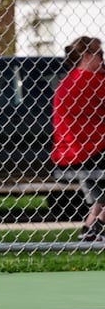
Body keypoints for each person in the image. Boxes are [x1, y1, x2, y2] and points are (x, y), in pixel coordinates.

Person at [51, 36, 105, 242]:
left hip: (68, 153)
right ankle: (96, 227)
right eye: (99, 55)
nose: (102, 60)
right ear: (86, 56)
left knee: (101, 194)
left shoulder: (67, 81)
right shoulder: (94, 81)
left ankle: (89, 228)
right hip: (90, 150)